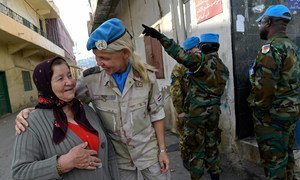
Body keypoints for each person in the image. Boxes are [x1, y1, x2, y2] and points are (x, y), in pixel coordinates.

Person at [15, 18, 170, 180]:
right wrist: (32, 111)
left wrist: (162, 150)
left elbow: (157, 114)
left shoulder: (147, 77)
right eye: (97, 57)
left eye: (105, 58)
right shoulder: (91, 80)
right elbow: (61, 97)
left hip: (148, 152)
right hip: (119, 158)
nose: (99, 63)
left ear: (125, 53)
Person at [142, 24, 229, 180]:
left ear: (205, 46)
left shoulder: (200, 61)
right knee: (212, 146)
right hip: (214, 112)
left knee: (196, 149)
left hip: (197, 114)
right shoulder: (223, 67)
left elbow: (178, 53)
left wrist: (160, 36)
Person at [11, 57, 119, 180]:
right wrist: (62, 164)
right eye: (60, 78)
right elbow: (20, 173)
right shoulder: (30, 122)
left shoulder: (86, 110)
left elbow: (110, 155)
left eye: (69, 75)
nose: (70, 82)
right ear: (46, 85)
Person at [247, 4, 300, 179]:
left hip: (272, 117)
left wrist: (259, 111)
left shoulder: (270, 49)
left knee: (274, 163)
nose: (260, 27)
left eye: (261, 23)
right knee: (286, 156)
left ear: (268, 22)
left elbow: (265, 88)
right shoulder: (293, 47)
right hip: (291, 113)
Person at [170, 36, 200, 165]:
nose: (199, 50)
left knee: (197, 136)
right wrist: (180, 111)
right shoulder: (180, 67)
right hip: (186, 110)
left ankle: (197, 159)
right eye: (197, 47)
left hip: (198, 109)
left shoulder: (199, 63)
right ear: (191, 49)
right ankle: (185, 159)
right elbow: (175, 90)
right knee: (185, 136)